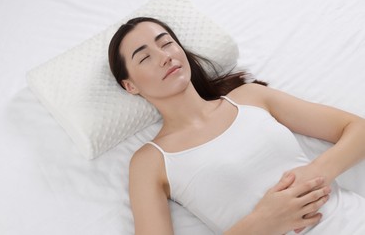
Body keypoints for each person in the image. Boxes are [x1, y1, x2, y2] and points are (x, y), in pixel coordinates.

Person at [108, 17, 365, 235]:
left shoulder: (250, 97)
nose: (164, 57)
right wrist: (261, 222)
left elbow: (358, 129)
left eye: (166, 43)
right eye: (144, 58)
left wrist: (316, 172)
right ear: (130, 86)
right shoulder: (150, 162)